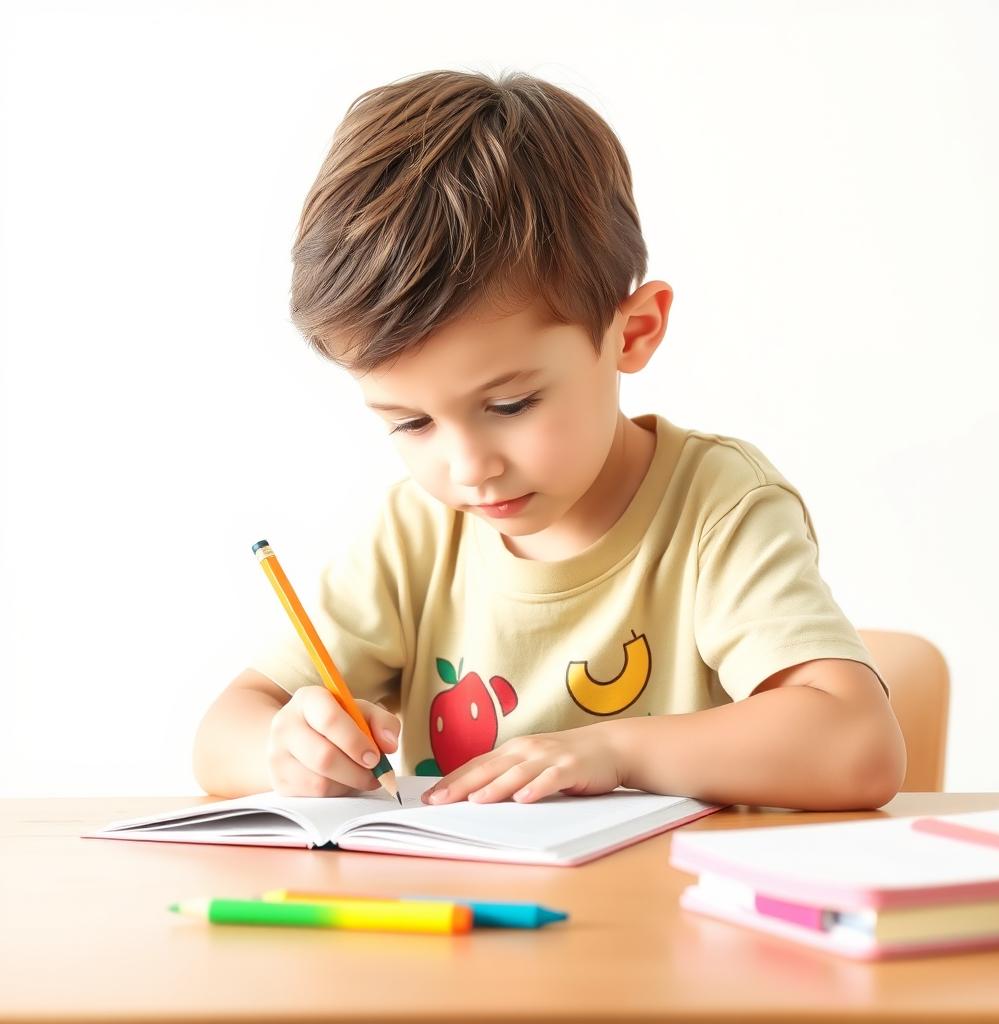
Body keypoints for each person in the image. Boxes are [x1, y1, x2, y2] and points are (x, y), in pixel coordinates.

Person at [193, 69, 906, 810]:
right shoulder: (415, 534)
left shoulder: (716, 510)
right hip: (460, 920)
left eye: (510, 404)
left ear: (632, 332)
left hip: (665, 920)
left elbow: (857, 746)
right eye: (411, 423)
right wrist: (288, 749)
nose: (469, 468)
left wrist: (614, 748)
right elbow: (222, 736)